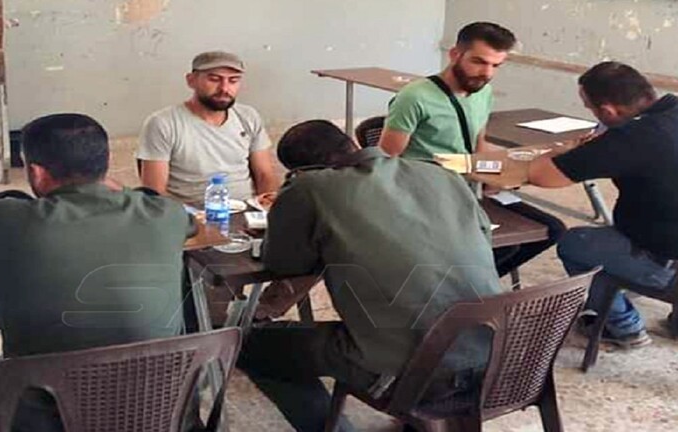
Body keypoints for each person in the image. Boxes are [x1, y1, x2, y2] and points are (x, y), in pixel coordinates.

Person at [0, 114, 196, 430]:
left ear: (36, 171)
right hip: (157, 405)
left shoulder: (3, 218)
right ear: (106, 164)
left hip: (47, 411)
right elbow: (188, 224)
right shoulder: (166, 213)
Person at [238, 120, 505, 432]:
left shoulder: (310, 188)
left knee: (251, 346)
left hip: (414, 373)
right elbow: (484, 236)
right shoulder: (440, 174)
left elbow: (284, 263)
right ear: (353, 144)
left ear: (302, 171)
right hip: (493, 355)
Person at [377, 21, 566, 279]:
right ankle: (462, 284)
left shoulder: (483, 92)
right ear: (455, 54)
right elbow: (386, 161)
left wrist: (493, 177)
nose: (486, 73)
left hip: (470, 186)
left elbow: (479, 142)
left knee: (551, 230)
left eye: (496, 65)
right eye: (479, 61)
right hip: (430, 192)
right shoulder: (414, 97)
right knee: (496, 243)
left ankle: (469, 285)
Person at [528, 62, 678, 348]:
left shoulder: (632, 138)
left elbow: (542, 175)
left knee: (575, 243)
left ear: (608, 111)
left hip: (665, 261)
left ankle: (623, 326)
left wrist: (567, 151)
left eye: (590, 108)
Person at [137, 50, 280, 205]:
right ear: (191, 80)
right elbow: (155, 193)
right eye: (214, 79)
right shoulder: (163, 123)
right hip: (191, 215)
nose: (224, 89)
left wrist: (267, 208)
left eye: (233, 81)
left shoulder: (248, 116)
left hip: (248, 209)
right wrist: (190, 217)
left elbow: (264, 175)